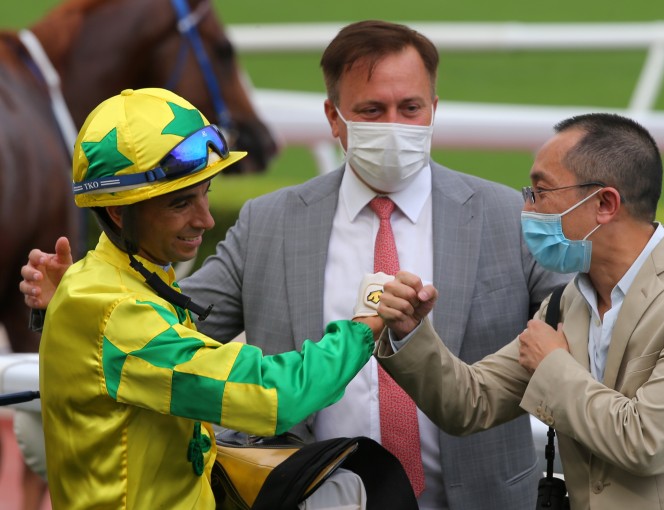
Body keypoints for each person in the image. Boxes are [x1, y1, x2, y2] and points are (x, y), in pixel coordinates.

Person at [20, 21, 569, 510]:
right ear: (333, 117)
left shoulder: (507, 215)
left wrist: (75, 303)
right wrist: (74, 305)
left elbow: (582, 322)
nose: (394, 125)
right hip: (317, 494)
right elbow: (174, 327)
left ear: (434, 108)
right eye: (372, 110)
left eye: (410, 108)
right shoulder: (268, 222)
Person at [375, 113, 664, 509]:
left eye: (540, 192)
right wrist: (410, 331)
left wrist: (552, 364)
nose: (527, 208)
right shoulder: (565, 304)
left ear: (605, 204)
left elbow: (646, 442)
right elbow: (469, 403)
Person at [35, 87, 377, 509]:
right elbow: (273, 396)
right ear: (119, 212)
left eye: (205, 193)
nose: (206, 220)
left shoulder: (113, 277)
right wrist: (363, 330)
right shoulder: (115, 311)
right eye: (181, 203)